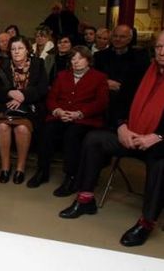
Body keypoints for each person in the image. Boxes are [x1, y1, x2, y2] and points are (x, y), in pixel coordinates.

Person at [58, 31, 164, 248]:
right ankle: (86, 199)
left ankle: (146, 222)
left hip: (159, 141)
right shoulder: (143, 69)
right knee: (94, 139)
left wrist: (157, 136)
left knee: (162, 161)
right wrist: (121, 126)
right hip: (131, 134)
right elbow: (120, 101)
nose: (162, 52)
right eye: (160, 47)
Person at [27, 46, 108, 195]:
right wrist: (57, 111)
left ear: (88, 60)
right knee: (46, 130)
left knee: (72, 135)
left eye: (80, 58)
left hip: (83, 119)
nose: (75, 62)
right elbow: (51, 98)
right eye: (73, 58)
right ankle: (42, 171)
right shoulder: (62, 75)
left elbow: (101, 102)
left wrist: (80, 113)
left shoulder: (99, 77)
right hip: (61, 115)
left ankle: (71, 177)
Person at [0, 36, 48, 184]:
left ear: (28, 50)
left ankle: (20, 168)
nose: (16, 52)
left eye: (20, 48)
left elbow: (42, 89)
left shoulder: (38, 64)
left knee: (22, 129)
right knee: (2, 127)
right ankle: (5, 167)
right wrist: (10, 93)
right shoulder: (3, 65)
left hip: (30, 106)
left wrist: (23, 95)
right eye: (13, 49)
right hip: (7, 106)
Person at [94, 24, 150, 128]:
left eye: (122, 37)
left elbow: (142, 81)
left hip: (129, 101)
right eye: (115, 36)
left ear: (130, 39)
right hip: (104, 101)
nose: (118, 39)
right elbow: (92, 79)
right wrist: (105, 83)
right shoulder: (99, 56)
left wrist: (121, 87)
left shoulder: (140, 57)